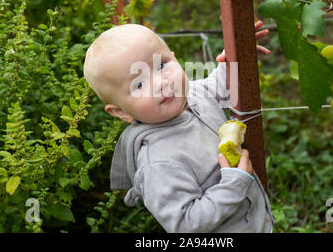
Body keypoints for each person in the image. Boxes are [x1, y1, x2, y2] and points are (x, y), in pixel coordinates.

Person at [83, 21, 275, 232]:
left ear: (174, 57)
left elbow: (218, 87)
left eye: (161, 65)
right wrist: (234, 185)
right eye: (139, 84)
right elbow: (185, 224)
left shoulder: (190, 94)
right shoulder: (158, 163)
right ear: (121, 112)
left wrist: (236, 58)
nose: (160, 83)